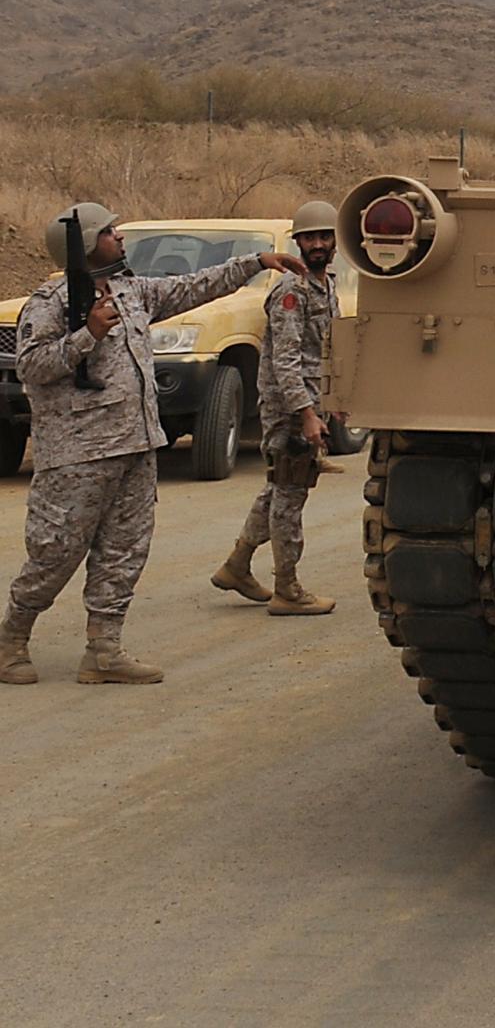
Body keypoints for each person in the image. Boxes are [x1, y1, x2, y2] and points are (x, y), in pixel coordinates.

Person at [1, 203, 307, 685]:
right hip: (77, 457)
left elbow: (190, 287)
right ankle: (12, 640)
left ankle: (104, 650)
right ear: (83, 245)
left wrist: (253, 264)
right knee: (55, 553)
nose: (119, 237)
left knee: (124, 552)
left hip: (136, 448)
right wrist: (86, 336)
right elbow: (31, 367)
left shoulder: (131, 291)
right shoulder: (50, 303)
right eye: (108, 232)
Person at [211, 201, 341, 616]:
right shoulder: (292, 291)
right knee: (289, 495)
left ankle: (237, 565)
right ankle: (287, 588)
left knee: (279, 489)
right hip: (289, 409)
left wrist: (332, 403)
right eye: (310, 238)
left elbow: (326, 349)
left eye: (324, 236)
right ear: (297, 242)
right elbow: (285, 362)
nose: (318, 244)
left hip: (308, 403)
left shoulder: (325, 285)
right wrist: (305, 414)